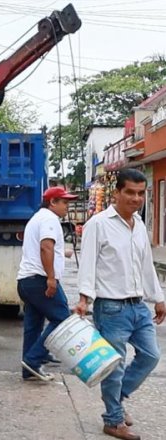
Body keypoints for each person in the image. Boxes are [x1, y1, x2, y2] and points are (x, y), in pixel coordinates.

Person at [74, 169, 165, 440]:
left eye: (141, 193)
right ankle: (113, 420)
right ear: (117, 193)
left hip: (139, 306)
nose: (136, 198)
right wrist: (83, 299)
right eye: (130, 192)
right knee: (114, 365)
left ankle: (117, 400)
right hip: (111, 308)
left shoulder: (138, 224)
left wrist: (158, 297)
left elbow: (146, 265)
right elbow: (87, 264)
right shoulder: (99, 224)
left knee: (151, 356)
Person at [16, 187, 76, 381]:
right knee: (63, 320)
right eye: (64, 203)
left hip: (27, 281)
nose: (67, 207)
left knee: (33, 325)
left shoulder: (37, 218)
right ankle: (34, 359)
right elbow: (46, 247)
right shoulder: (49, 219)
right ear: (53, 202)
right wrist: (51, 278)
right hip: (40, 280)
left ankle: (29, 369)